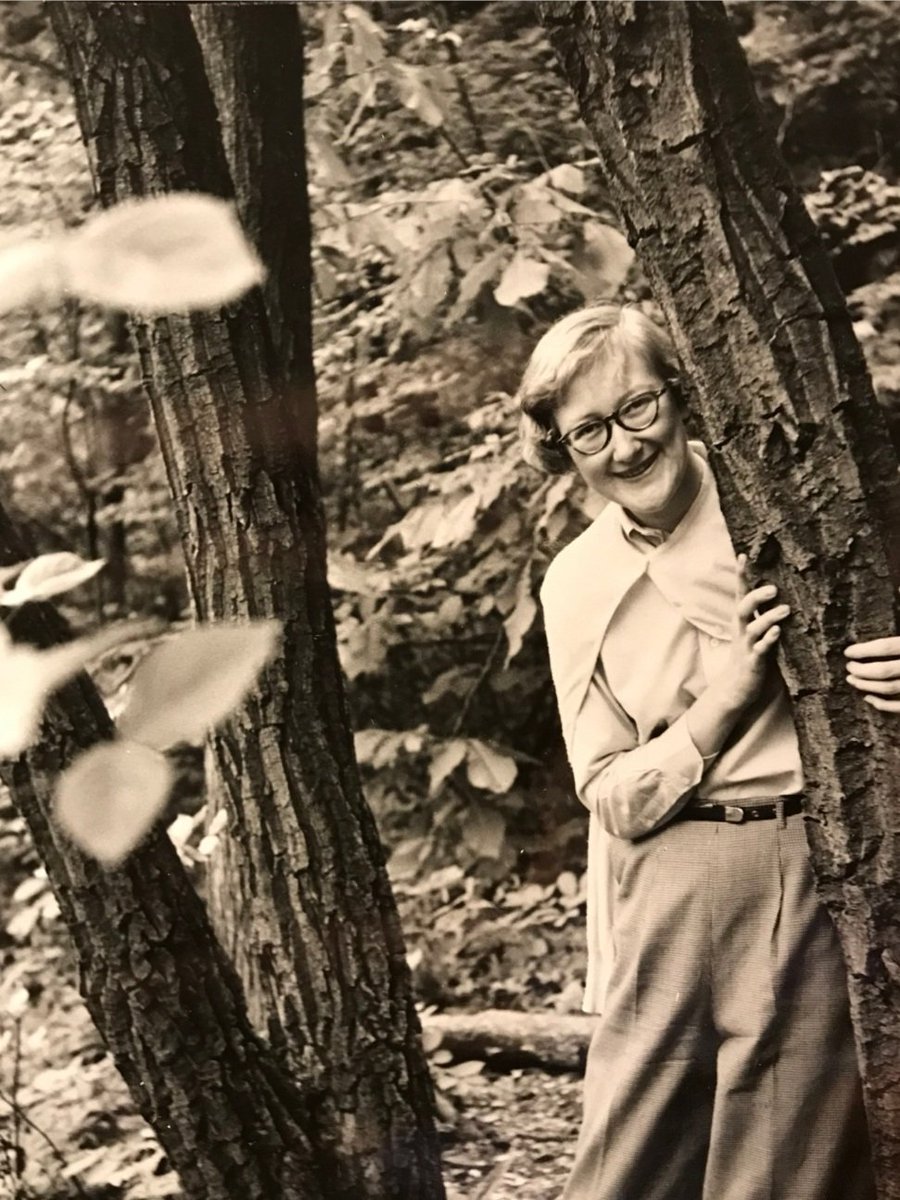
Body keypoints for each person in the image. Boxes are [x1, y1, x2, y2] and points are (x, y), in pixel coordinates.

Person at [515, 303, 900, 1200]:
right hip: (662, 883)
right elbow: (607, 793)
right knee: (625, 1167)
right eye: (588, 432)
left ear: (681, 396)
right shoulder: (574, 580)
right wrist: (719, 705)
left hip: (809, 863)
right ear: (562, 449)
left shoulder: (793, 514)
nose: (624, 447)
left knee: (779, 1170)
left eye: (639, 409)